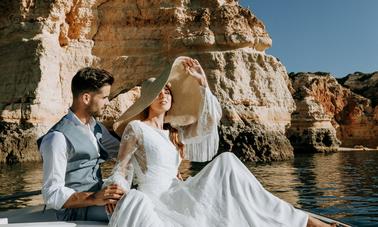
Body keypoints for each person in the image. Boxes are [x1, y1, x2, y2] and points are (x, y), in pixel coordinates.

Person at [106, 57, 334, 226]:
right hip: (159, 199)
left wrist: (203, 83)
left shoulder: (173, 133)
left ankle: (299, 220)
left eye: (166, 90)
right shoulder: (136, 128)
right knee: (226, 162)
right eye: (157, 93)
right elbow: (121, 168)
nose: (163, 95)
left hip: (178, 191)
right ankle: (305, 222)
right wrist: (117, 190)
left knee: (229, 165)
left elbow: (208, 123)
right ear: (147, 100)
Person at [37, 67, 125, 221]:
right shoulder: (56, 138)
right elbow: (51, 194)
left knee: (144, 199)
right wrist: (94, 197)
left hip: (98, 201)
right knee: (132, 210)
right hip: (74, 211)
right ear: (86, 98)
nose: (108, 102)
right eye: (104, 97)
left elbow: (123, 152)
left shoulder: (96, 127)